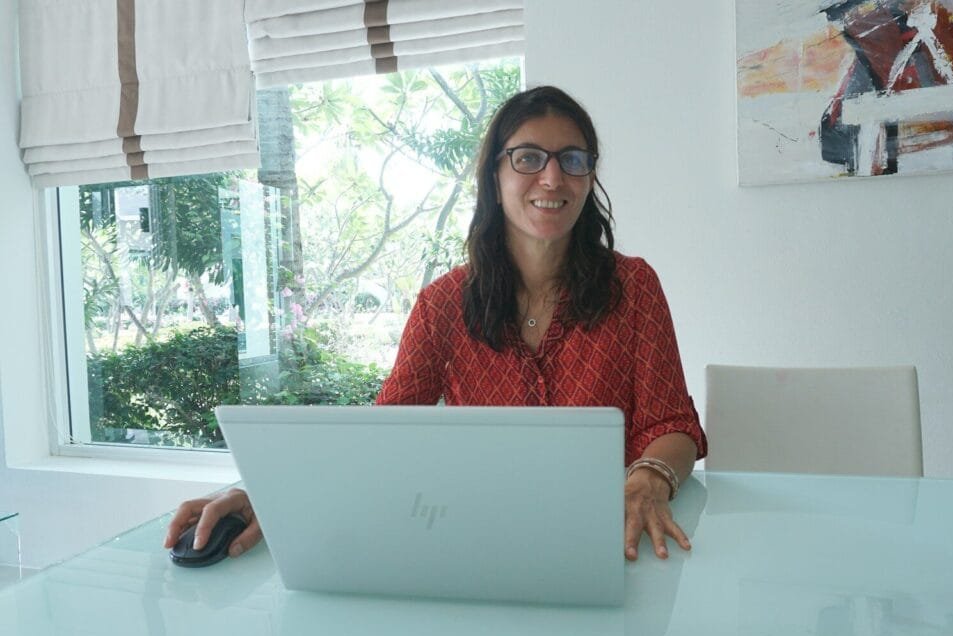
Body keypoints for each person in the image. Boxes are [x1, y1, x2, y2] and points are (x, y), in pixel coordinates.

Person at [164, 85, 707, 562]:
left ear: (589, 177)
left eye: (572, 158)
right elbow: (388, 435)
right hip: (478, 542)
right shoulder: (443, 304)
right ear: (494, 175)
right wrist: (263, 489)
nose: (551, 175)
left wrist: (649, 478)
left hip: (612, 540)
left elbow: (672, 425)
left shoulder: (632, 287)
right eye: (528, 157)